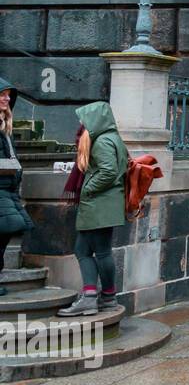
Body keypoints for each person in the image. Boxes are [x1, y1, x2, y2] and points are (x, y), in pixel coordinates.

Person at [58, 102, 128, 316]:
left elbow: (108, 171)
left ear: (96, 119)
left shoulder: (102, 141)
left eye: (85, 119)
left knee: (94, 251)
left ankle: (93, 298)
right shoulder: (111, 137)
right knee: (88, 250)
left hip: (99, 203)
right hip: (104, 204)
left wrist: (87, 189)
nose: (81, 123)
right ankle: (106, 297)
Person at [0, 77, 34, 294]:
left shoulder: (4, 124)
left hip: (7, 188)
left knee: (8, 230)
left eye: (8, 95)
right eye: (2, 94)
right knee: (8, 228)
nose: (7, 98)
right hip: (2, 188)